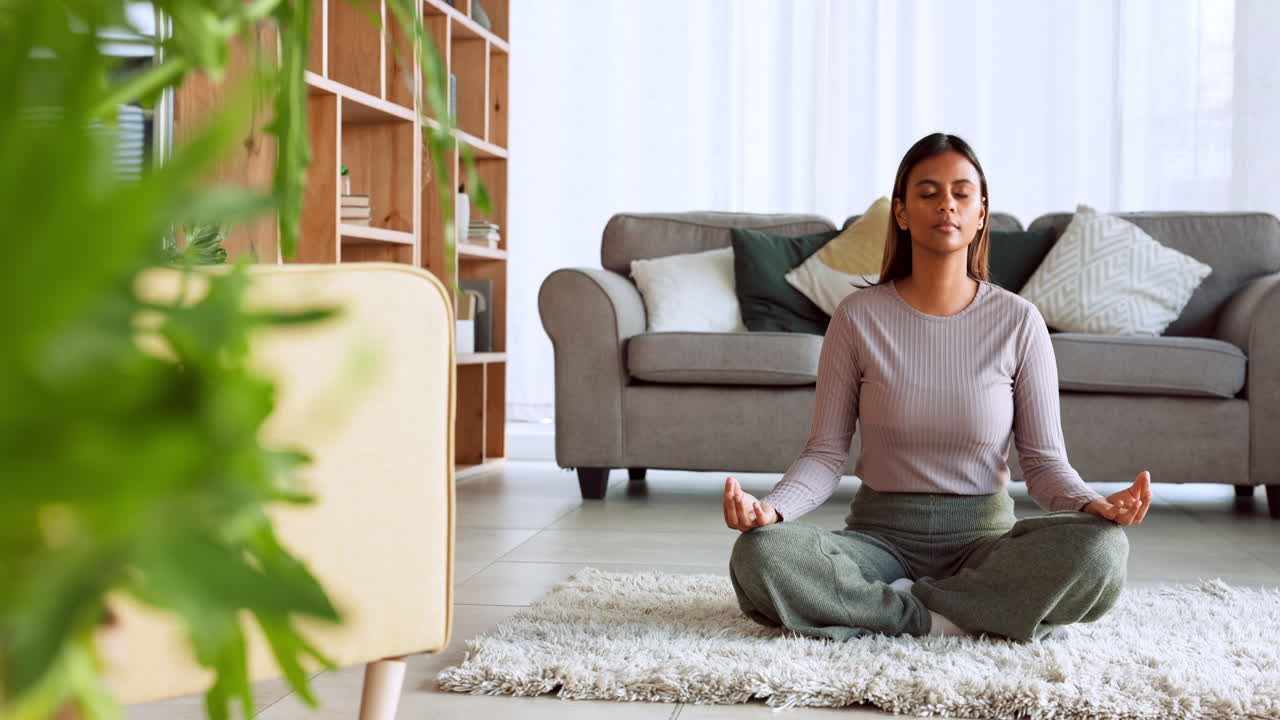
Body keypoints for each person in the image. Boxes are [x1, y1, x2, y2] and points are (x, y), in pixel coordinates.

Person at [722, 132, 1151, 643]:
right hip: (878, 543)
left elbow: (1043, 464)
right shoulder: (857, 317)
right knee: (761, 553)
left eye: (961, 193)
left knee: (1103, 550)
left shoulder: (1020, 321)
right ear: (901, 213)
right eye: (928, 193)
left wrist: (1090, 503)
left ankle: (892, 610)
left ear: (981, 213)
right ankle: (949, 617)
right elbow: (825, 453)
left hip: (984, 546)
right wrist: (773, 510)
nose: (946, 204)